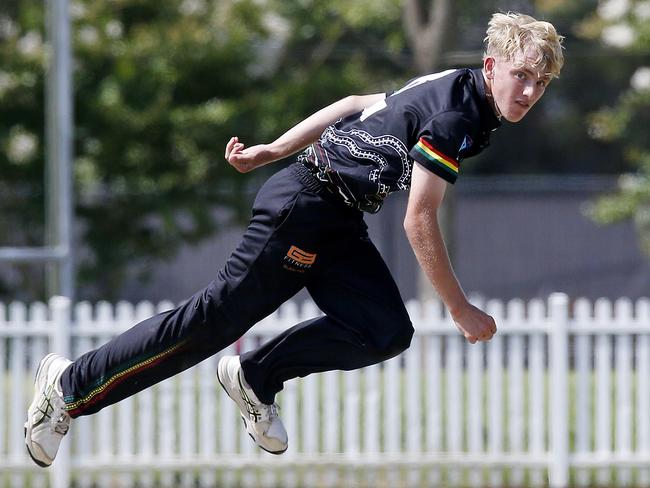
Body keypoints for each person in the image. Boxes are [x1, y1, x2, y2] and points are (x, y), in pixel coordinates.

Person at [25, 11, 564, 465]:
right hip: (304, 206)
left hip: (338, 219)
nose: (530, 91)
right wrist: (459, 309)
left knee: (384, 330)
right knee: (214, 320)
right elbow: (419, 220)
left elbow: (356, 102)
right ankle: (69, 387)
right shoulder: (456, 115)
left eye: (541, 84)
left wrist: (271, 149)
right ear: (492, 66)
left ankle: (256, 377)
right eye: (521, 75)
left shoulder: (459, 87)